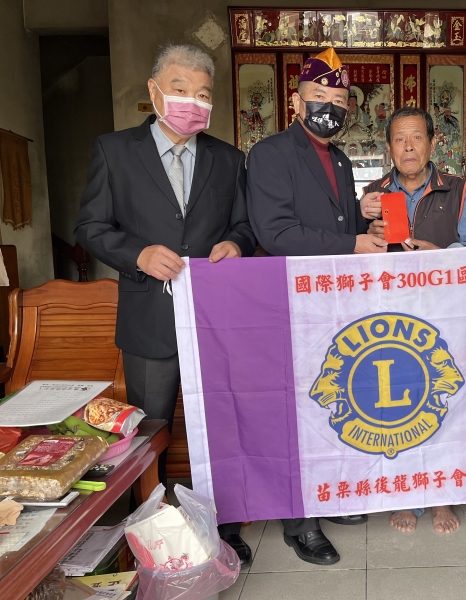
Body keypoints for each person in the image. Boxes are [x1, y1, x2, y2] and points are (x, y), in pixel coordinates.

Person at [75, 44, 257, 565]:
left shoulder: (228, 158)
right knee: (152, 429)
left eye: (202, 94)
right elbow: (89, 226)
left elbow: (244, 224)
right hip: (148, 318)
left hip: (213, 320)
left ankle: (224, 526)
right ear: (155, 91)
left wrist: (236, 244)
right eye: (180, 90)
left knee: (219, 428)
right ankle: (152, 528)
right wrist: (137, 254)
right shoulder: (114, 150)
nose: (192, 102)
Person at [246, 48, 386, 566]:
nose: (331, 106)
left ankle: (326, 494)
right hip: (286, 303)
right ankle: (299, 522)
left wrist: (362, 218)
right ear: (296, 101)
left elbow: (337, 224)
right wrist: (353, 243)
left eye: (340, 100)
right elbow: (276, 233)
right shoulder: (270, 154)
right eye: (319, 96)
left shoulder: (342, 160)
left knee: (328, 400)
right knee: (292, 411)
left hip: (330, 303)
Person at [360, 107, 466, 533]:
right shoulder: (373, 195)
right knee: (395, 406)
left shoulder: (460, 190)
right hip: (388, 318)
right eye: (400, 139)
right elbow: (347, 259)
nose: (409, 147)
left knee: (442, 402)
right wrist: (366, 235)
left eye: (417, 137)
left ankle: (440, 498)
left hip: (444, 315)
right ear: (389, 147)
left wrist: (442, 254)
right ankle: (405, 495)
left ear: (433, 143)